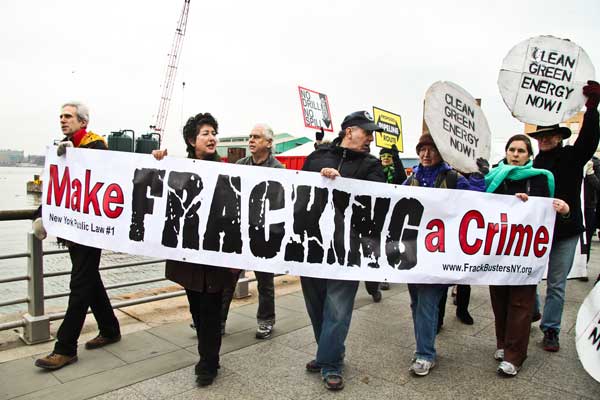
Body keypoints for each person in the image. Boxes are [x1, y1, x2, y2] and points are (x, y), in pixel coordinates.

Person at [301, 110, 386, 390]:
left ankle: (331, 363)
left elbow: (378, 199)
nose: (371, 139)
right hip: (312, 247)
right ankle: (328, 352)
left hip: (348, 248)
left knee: (337, 308)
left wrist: (343, 184)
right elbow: (301, 195)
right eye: (367, 133)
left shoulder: (372, 165)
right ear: (349, 132)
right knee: (315, 306)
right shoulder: (316, 158)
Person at [34, 102, 121, 370]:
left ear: (83, 122)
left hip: (90, 230)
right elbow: (57, 186)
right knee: (89, 278)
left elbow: (95, 179)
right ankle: (110, 328)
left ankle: (65, 347)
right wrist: (41, 214)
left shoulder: (96, 146)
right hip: (73, 230)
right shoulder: (64, 146)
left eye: (68, 116)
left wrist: (73, 154)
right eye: (60, 116)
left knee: (80, 284)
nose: (62, 120)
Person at [152, 112, 237, 386]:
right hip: (188, 256)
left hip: (216, 253)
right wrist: (156, 162)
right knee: (197, 308)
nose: (211, 138)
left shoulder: (229, 171)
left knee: (211, 307)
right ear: (192, 140)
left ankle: (207, 363)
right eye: (205, 133)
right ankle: (208, 352)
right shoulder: (178, 169)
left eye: (214, 133)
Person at [403, 133, 486, 376]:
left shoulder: (453, 177)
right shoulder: (411, 179)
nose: (426, 154)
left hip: (440, 254)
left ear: (442, 153)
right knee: (417, 303)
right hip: (414, 253)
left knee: (427, 304)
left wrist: (478, 176)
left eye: (432, 149)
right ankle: (423, 347)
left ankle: (425, 354)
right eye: (422, 149)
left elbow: (477, 201)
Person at [485, 134, 567, 376]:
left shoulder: (542, 178)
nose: (516, 154)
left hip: (524, 253)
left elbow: (548, 210)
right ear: (506, 151)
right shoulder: (493, 177)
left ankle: (515, 356)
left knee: (521, 303)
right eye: (512, 149)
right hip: (497, 251)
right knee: (499, 301)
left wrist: (531, 204)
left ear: (529, 155)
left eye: (521, 151)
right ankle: (503, 344)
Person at [530, 80, 600, 352]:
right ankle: (533, 310)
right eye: (541, 136)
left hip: (565, 230)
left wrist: (591, 108)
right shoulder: (532, 164)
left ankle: (551, 330)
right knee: (529, 277)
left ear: (559, 137)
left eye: (550, 135)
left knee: (557, 284)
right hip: (536, 231)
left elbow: (589, 139)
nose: (545, 139)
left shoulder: (571, 157)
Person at [234, 123, 283, 339]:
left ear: (269, 143)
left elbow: (281, 203)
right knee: (229, 278)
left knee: (265, 281)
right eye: (250, 136)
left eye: (256, 137)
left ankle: (266, 321)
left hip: (265, 234)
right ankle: (218, 321)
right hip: (242, 232)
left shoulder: (278, 170)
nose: (251, 140)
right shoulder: (240, 164)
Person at [375, 145, 407, 291]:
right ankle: (380, 273)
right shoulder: (376, 172)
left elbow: (403, 179)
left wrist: (397, 157)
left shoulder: (396, 173)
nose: (386, 159)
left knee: (391, 243)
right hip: (378, 213)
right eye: (384, 157)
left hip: (395, 214)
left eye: (389, 157)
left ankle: (386, 273)